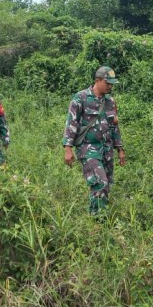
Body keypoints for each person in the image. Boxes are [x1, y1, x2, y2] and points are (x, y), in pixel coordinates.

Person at [63, 66, 126, 215]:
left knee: (106, 185)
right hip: (88, 148)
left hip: (107, 149)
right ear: (97, 80)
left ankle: (95, 217)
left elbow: (114, 126)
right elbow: (71, 123)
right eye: (107, 83)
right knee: (100, 183)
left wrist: (120, 149)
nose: (110, 86)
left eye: (111, 84)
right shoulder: (80, 98)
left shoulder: (110, 101)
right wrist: (68, 148)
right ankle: (100, 220)